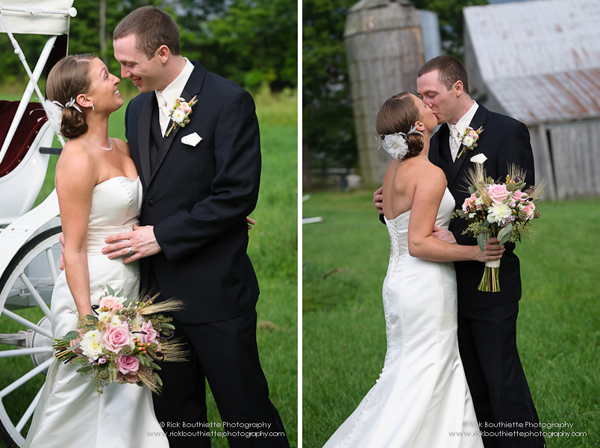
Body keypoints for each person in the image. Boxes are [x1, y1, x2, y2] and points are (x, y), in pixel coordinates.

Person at [98, 7, 289, 448]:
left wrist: (161, 236)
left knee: (245, 410)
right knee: (177, 416)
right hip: (154, 293)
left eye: (131, 64)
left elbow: (236, 195)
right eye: (119, 64)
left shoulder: (229, 101)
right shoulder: (138, 108)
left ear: (162, 53)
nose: (125, 74)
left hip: (216, 287)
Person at [374, 56, 544, 448]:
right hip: (440, 287)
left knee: (502, 380)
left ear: (457, 88)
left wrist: (468, 245)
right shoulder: (426, 143)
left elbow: (519, 206)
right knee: (466, 383)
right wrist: (386, 209)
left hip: (489, 282)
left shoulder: (506, 131)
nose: (426, 101)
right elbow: (415, 208)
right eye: (421, 95)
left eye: (431, 93)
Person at [323, 92, 509, 448]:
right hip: (426, 284)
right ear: (420, 125)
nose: (430, 104)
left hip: (397, 281)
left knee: (410, 369)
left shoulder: (394, 169)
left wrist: (452, 241)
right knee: (432, 369)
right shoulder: (429, 173)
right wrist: (476, 253)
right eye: (424, 104)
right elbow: (419, 243)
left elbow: (408, 229)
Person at [24, 55, 167, 447]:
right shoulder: (77, 158)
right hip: (92, 288)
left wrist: (213, 217)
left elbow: (157, 201)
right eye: (106, 75)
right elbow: (70, 248)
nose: (117, 79)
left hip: (131, 285)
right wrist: (89, 322)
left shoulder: (120, 145)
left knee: (127, 397)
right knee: (82, 397)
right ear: (85, 99)